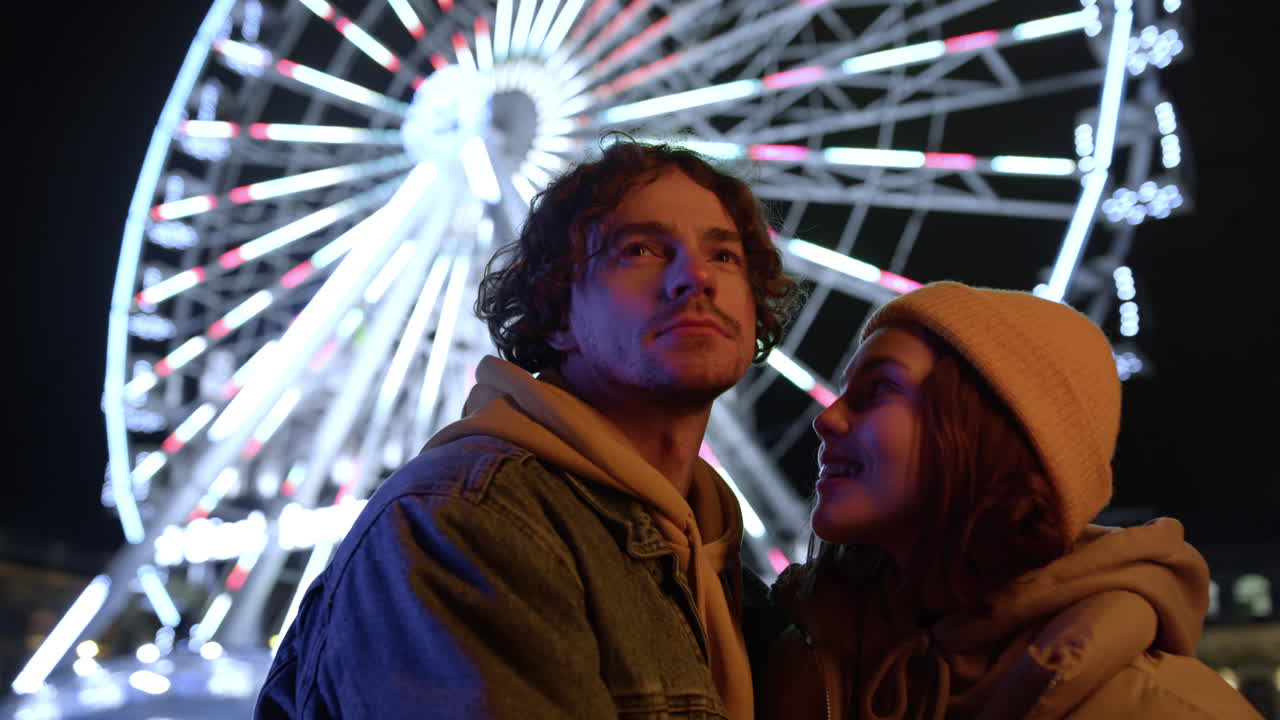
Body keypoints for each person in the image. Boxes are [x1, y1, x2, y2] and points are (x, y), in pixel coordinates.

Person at [255, 139, 799, 719]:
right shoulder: (465, 523)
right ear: (558, 313)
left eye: (725, 257)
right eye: (642, 249)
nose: (695, 278)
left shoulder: (719, 572)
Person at [762, 281, 1262, 719]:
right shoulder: (801, 665)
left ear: (991, 431)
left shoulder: (1162, 708)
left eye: (880, 389)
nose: (826, 419)